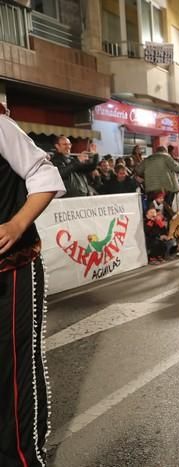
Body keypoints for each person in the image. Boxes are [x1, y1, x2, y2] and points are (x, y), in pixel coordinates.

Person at [0, 107, 65, 467]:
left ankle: (23, 457)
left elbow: (45, 175)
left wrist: (16, 224)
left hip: (12, 268)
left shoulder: (0, 126)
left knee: (14, 366)